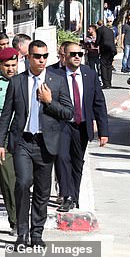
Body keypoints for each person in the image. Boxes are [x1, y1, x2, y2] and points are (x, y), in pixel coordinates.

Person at [0, 40, 74, 247]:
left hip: (45, 143)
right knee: (22, 184)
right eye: (37, 56)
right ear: (28, 57)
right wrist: (1, 143)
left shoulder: (57, 81)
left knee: (42, 191)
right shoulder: (17, 82)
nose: (41, 60)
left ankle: (37, 234)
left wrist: (49, 102)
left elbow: (69, 113)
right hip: (22, 141)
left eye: (44, 56)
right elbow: (6, 115)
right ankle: (22, 233)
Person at [54, 42, 109, 212]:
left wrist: (103, 131)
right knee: (62, 158)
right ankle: (67, 195)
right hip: (62, 125)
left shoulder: (89, 74)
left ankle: (74, 196)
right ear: (64, 56)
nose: (77, 57)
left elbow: (99, 103)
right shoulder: (54, 74)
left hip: (82, 125)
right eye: (73, 54)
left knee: (77, 162)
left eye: (80, 54)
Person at [0, 48, 19, 236]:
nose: (11, 69)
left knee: (9, 181)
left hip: (12, 137)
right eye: (7, 65)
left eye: (14, 65)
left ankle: (15, 222)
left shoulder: (22, 82)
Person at [95, 19, 116, 89]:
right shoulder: (110, 30)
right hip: (112, 49)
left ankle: (105, 83)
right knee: (109, 66)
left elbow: (98, 40)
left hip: (105, 49)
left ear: (98, 25)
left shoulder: (99, 30)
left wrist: (95, 45)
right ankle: (109, 83)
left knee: (103, 66)